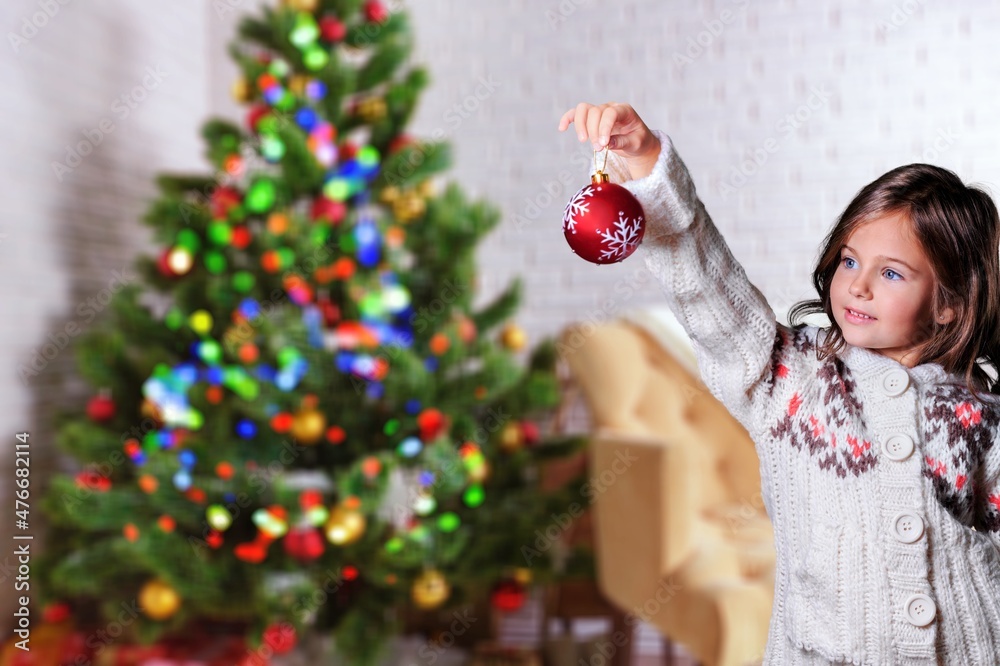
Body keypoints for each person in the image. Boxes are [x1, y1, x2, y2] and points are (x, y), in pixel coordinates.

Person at [558, 102, 1000, 665]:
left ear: (949, 305)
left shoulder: (979, 413)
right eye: (848, 261)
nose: (858, 286)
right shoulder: (794, 376)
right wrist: (646, 162)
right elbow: (709, 288)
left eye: (891, 273)